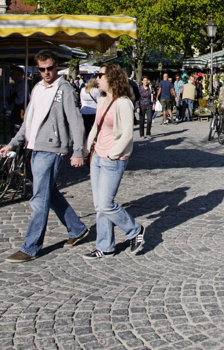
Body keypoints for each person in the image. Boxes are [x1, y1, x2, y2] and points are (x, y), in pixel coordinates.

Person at [0, 50, 88, 263]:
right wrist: (13, 143)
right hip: (35, 147)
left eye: (50, 68)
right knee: (50, 193)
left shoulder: (64, 89)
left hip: (53, 148)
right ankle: (77, 229)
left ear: (56, 66)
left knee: (39, 198)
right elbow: (30, 120)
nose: (46, 72)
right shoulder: (37, 88)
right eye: (42, 69)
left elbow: (76, 121)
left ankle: (31, 247)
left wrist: (78, 151)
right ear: (37, 69)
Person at [84, 63, 145, 259]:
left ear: (111, 78)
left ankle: (135, 230)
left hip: (114, 158)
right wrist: (89, 145)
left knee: (106, 204)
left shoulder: (123, 102)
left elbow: (127, 133)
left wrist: (113, 153)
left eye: (100, 75)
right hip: (97, 156)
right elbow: (97, 124)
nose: (97, 78)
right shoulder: (102, 99)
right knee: (99, 205)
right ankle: (105, 246)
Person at [8, 65, 28, 133]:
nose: (11, 75)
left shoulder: (21, 84)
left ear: (19, 74)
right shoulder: (17, 84)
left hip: (19, 113)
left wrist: (13, 99)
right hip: (16, 112)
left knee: (16, 131)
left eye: (13, 73)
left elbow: (20, 100)